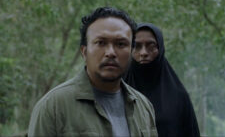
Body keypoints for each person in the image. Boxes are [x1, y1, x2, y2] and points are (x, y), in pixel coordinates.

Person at [28, 7, 158, 136]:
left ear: (131, 52)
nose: (111, 53)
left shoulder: (143, 106)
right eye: (101, 43)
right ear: (84, 52)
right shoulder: (53, 107)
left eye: (120, 44)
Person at [124, 23, 200, 137]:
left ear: (160, 48)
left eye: (151, 46)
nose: (144, 52)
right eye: (137, 46)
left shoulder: (178, 96)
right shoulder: (117, 90)